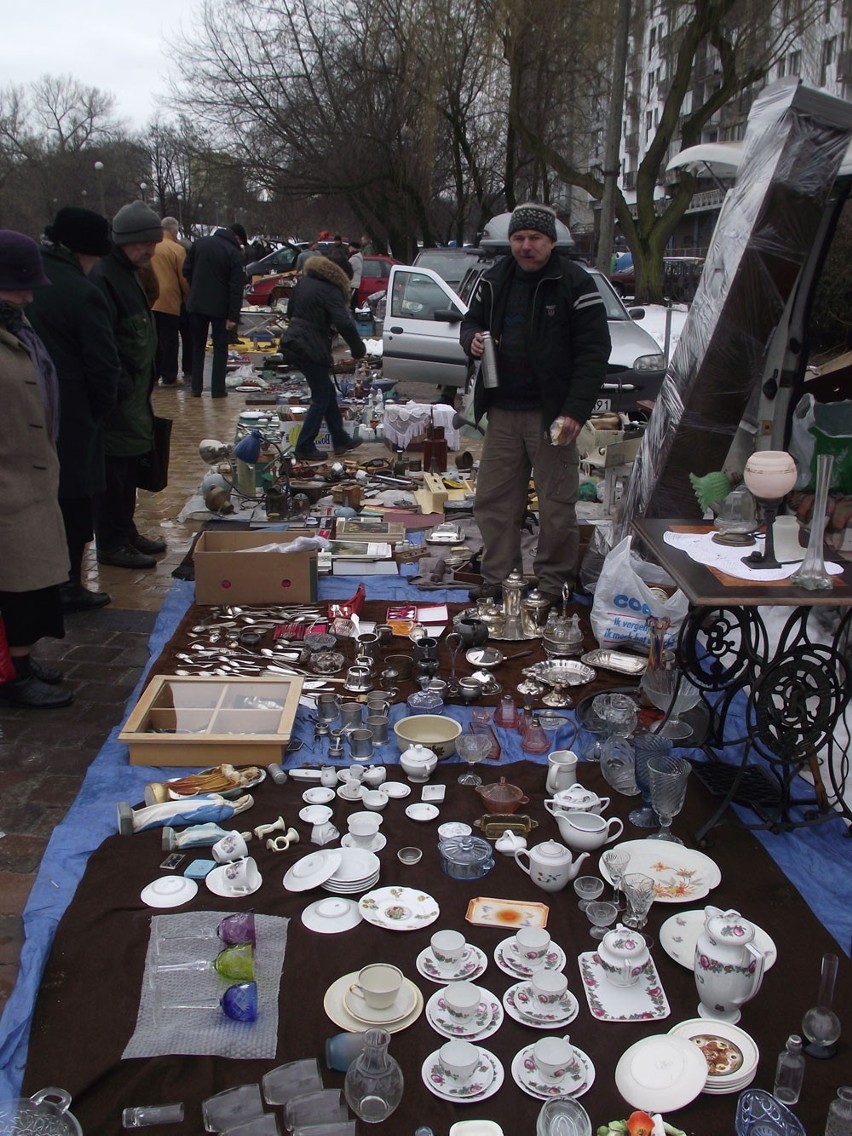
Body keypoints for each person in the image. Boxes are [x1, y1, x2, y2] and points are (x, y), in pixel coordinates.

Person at [459, 202, 611, 603]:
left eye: (535, 239)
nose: (526, 246)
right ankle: (499, 583)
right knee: (493, 502)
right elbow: (471, 320)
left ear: (551, 241)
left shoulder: (575, 283)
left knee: (557, 506)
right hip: (503, 412)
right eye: (519, 238)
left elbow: (595, 352)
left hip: (553, 416)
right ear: (511, 241)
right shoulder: (495, 279)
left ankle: (552, 586)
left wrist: (576, 411)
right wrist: (471, 338)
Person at [27, 207, 123, 613]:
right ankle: (67, 583)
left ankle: (45, 582)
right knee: (76, 498)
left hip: (30, 408)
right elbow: (102, 364)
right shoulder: (81, 290)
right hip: (73, 409)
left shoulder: (34, 278)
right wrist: (104, 406)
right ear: (87, 251)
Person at [0, 231, 73, 708]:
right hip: (8, 481)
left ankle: (20, 661)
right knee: (14, 582)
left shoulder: (19, 328)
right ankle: (10, 674)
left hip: (31, 475)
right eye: (16, 286)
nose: (27, 296)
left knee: (31, 582)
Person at [89, 201, 166, 570]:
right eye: (140, 244)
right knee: (114, 473)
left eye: (153, 242)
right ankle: (111, 541)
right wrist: (117, 386)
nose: (148, 250)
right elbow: (102, 341)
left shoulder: (130, 272)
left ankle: (126, 530)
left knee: (129, 468)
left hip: (135, 392)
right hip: (119, 393)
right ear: (122, 241)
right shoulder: (105, 276)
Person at [278, 255, 366, 461]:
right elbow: (344, 323)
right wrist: (358, 349)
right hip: (310, 346)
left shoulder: (304, 283)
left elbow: (291, 311)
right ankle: (304, 445)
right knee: (320, 398)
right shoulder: (331, 290)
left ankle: (340, 438)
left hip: (293, 340)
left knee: (325, 390)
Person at [182, 223, 246, 397]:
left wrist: (196, 286)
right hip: (220, 308)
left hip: (196, 305)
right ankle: (218, 389)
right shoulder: (234, 253)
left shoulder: (199, 243)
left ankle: (196, 387)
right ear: (237, 238)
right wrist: (233, 315)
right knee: (220, 349)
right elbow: (236, 287)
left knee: (197, 347)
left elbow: (185, 270)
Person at [150, 216, 189, 386]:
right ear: (174, 231)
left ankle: (153, 374)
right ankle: (170, 376)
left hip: (150, 300)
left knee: (154, 340)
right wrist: (187, 297)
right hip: (169, 300)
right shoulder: (176, 249)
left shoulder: (150, 246)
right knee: (170, 340)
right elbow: (184, 278)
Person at [348, 239, 364, 306]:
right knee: (353, 302)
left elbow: (349, 269)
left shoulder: (354, 258)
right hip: (354, 283)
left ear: (353, 248)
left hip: (353, 283)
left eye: (350, 247)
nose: (349, 248)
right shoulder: (357, 257)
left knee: (352, 302)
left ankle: (354, 315)